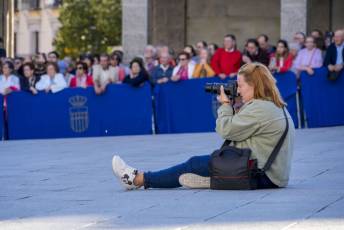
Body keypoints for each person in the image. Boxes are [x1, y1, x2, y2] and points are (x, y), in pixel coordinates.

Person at [111, 62, 295, 190]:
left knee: (193, 163)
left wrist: (225, 105)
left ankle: (137, 179)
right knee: (202, 162)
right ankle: (215, 179)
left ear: (254, 85)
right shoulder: (274, 105)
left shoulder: (260, 108)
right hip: (272, 174)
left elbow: (225, 130)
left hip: (260, 175)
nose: (237, 90)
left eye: (240, 86)